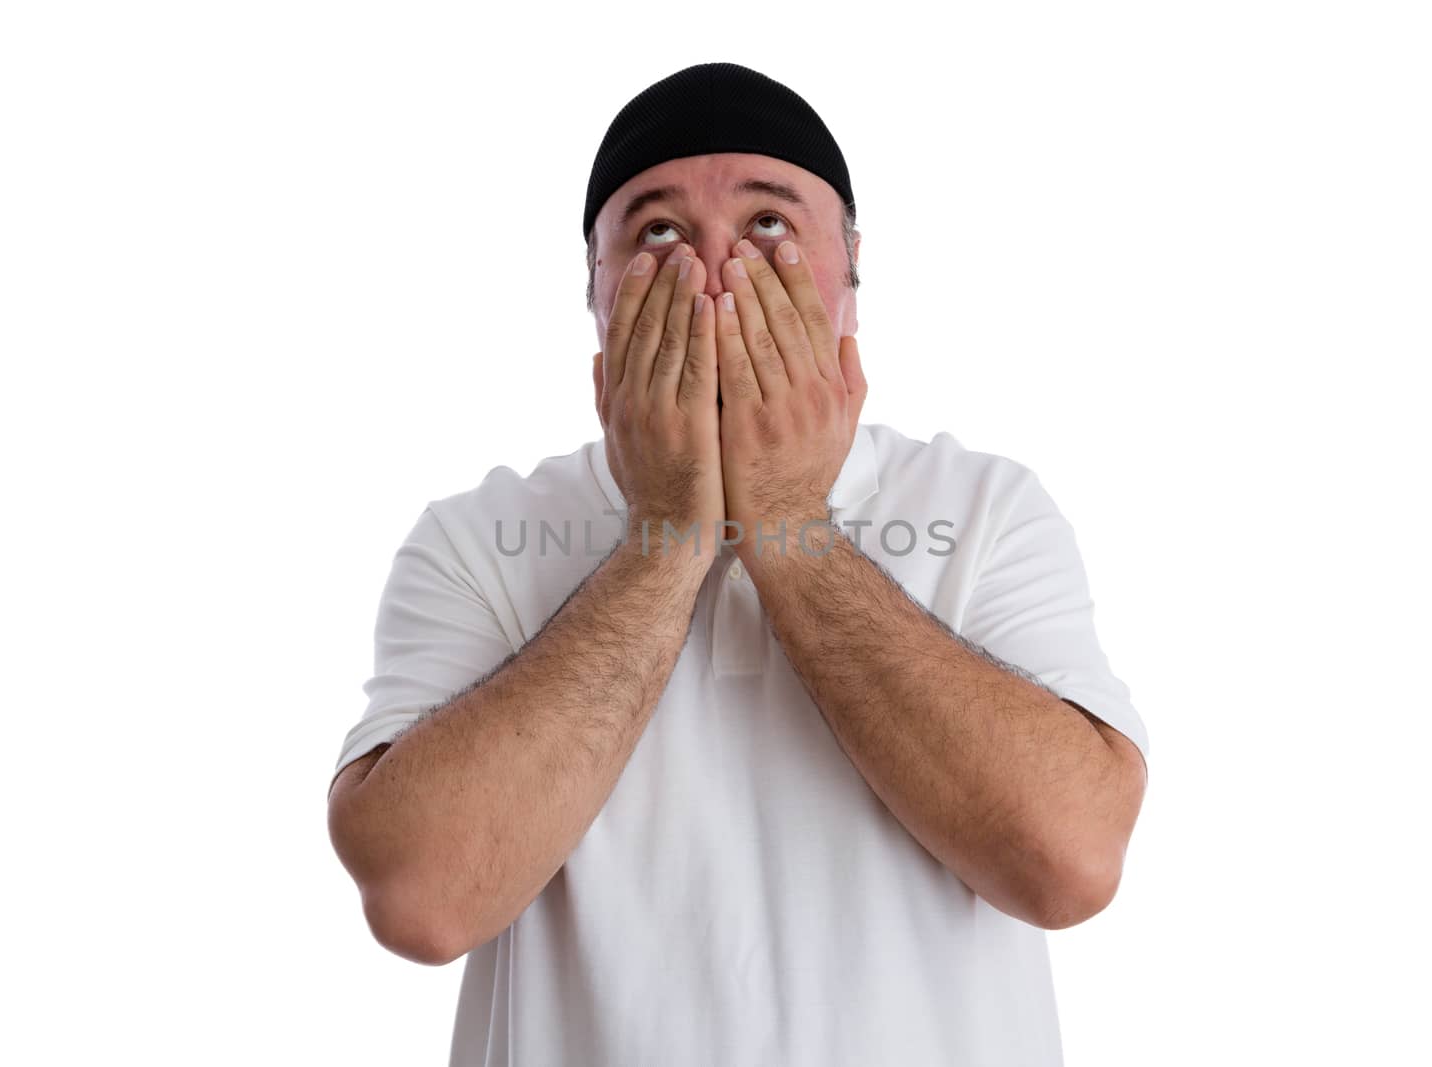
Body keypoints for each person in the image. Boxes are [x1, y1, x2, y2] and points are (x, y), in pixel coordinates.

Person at [326, 61, 1150, 1067]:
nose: (713, 273)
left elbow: (1066, 863)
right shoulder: (480, 533)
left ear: (848, 274)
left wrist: (788, 520)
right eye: (658, 233)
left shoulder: (982, 509)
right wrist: (668, 532)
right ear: (594, 293)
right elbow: (421, 898)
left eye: (768, 225)